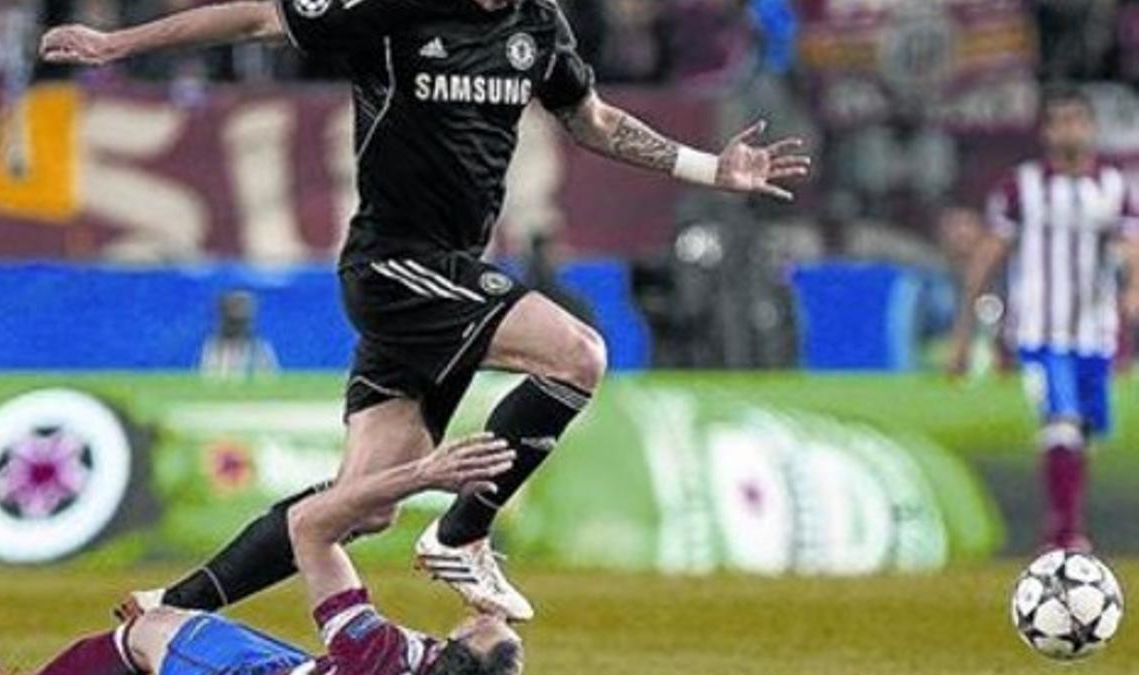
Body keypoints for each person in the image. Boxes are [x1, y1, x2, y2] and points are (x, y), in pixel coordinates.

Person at [40, 0, 811, 621]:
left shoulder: (536, 25)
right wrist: (117, 45)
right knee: (578, 353)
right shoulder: (394, 9)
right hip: (393, 263)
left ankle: (168, 608)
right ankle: (464, 532)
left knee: (358, 507)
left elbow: (595, 121)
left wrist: (714, 167)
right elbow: (260, 18)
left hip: (451, 272)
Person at [0, 434, 523, 675]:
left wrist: (420, 476)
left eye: (495, 638)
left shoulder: (377, 655)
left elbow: (309, 529)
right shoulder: (419, 662)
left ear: (459, 659)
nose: (496, 619)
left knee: (151, 631)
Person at [949, 85, 1139, 552]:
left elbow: (1132, 248)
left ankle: (1067, 525)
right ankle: (1064, 536)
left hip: (1095, 333)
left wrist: (1131, 293)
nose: (1068, 130)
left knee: (1083, 435)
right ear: (1045, 131)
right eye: (1058, 121)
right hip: (1038, 330)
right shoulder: (1022, 187)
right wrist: (964, 333)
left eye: (1076, 120)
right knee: (1062, 424)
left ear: (1092, 128)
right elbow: (987, 258)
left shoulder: (1114, 188)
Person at [199, 290, 280, 380]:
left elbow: (269, 383)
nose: (235, 327)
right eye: (232, 321)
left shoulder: (260, 349)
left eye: (239, 322)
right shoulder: (211, 347)